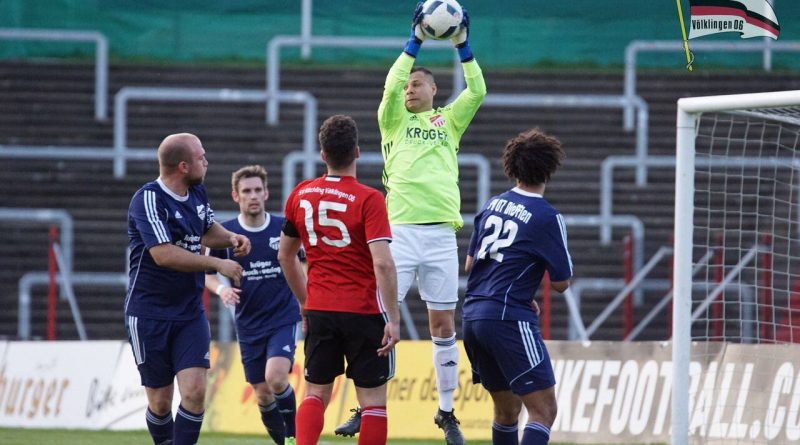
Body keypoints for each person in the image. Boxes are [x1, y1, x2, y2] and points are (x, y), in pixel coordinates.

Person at [335, 3, 486, 444]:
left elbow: (476, 92)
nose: (409, 90)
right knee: (375, 322)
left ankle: (446, 412)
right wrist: (414, 41)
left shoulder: (448, 121)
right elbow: (389, 86)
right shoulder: (392, 120)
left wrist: (462, 46)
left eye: (417, 84)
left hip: (440, 234)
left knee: (443, 327)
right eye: (407, 85)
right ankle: (365, 406)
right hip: (397, 234)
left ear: (435, 89)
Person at [278, 114, 401, 445]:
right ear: (358, 152)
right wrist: (393, 318)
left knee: (315, 392)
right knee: (373, 401)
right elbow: (384, 264)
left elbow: (285, 255)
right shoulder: (370, 199)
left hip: (320, 308)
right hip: (363, 310)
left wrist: (305, 303)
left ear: (322, 154)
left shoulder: (301, 195)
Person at [125, 132, 251, 445]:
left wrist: (230, 239)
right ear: (183, 165)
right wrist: (217, 265)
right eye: (201, 157)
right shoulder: (148, 199)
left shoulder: (197, 193)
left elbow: (207, 230)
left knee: (195, 393)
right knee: (160, 401)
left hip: (189, 312)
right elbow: (163, 254)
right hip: (149, 313)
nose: (206, 162)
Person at [463, 129, 572, 445]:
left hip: (473, 317)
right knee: (543, 411)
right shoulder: (546, 216)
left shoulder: (491, 205)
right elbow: (562, 283)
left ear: (512, 166)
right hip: (507, 318)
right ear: (550, 168)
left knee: (507, 411)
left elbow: (471, 265)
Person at [204, 165, 302, 445]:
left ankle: (296, 438)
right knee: (261, 392)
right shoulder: (227, 234)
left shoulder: (283, 228)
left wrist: (305, 299)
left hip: (282, 317)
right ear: (236, 196)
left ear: (267, 193)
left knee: (276, 377)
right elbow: (207, 274)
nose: (253, 196)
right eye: (247, 191)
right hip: (248, 323)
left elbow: (302, 261)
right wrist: (222, 289)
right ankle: (283, 441)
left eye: (258, 190)